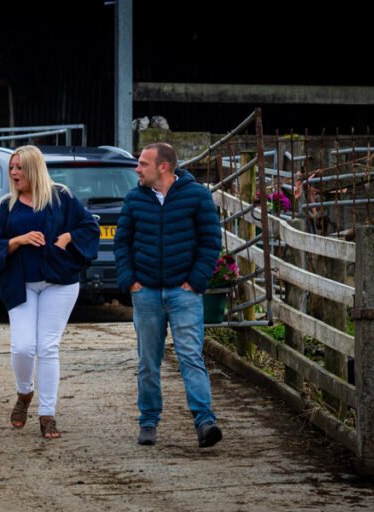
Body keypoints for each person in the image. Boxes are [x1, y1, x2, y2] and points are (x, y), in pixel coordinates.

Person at [113, 142, 224, 448]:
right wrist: (130, 281)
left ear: (163, 167)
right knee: (149, 360)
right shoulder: (135, 198)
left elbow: (211, 241)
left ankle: (205, 422)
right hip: (146, 293)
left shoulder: (197, 196)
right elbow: (122, 243)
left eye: (143, 164)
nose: (137, 169)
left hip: (183, 293)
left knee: (190, 356)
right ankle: (148, 421)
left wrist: (196, 281)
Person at [0, 145, 100, 439]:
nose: (14, 173)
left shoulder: (61, 197)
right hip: (21, 282)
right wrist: (18, 240)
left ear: (33, 169)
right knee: (24, 346)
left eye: (19, 168)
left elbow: (90, 226)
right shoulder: (7, 205)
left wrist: (69, 237)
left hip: (59, 282)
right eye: (12, 168)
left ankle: (47, 414)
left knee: (48, 348)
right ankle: (25, 393)